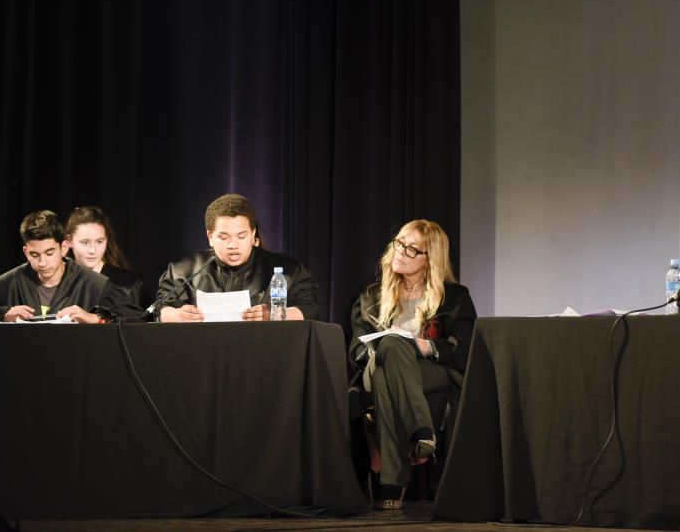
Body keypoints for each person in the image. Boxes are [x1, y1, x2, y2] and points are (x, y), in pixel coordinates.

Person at [349, 220, 477, 509]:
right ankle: (421, 431)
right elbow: (355, 350)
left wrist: (426, 345)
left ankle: (392, 484)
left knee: (386, 378)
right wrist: (386, 346)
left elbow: (465, 350)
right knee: (390, 349)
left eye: (412, 249)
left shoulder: (454, 297)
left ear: (430, 259)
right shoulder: (371, 296)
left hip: (431, 372)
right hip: (376, 366)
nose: (400, 252)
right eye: (399, 243)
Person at [153, 193, 319, 322]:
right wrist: (177, 316)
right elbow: (159, 310)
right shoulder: (182, 271)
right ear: (210, 236)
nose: (233, 245)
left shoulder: (287, 270)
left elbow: (310, 309)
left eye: (241, 236)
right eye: (224, 237)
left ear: (253, 234)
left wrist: (274, 315)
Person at [0, 210, 144, 323]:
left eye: (49, 253)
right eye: (34, 255)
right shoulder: (9, 283)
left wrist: (94, 318)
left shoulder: (94, 285)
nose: (42, 263)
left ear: (64, 248)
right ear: (25, 252)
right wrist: (3, 314)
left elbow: (137, 319)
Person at [65, 205, 146, 308]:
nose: (92, 250)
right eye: (85, 243)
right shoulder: (58, 283)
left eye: (99, 242)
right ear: (69, 241)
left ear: (107, 239)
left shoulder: (128, 284)